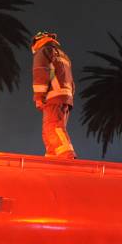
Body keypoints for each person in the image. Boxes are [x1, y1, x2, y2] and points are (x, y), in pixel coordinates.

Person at [31, 31, 76, 159]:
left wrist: (39, 97)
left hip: (53, 97)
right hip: (65, 98)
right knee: (50, 131)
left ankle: (67, 156)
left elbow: (41, 74)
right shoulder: (63, 55)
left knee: (53, 128)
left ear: (37, 42)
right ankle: (52, 159)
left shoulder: (43, 52)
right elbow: (70, 81)